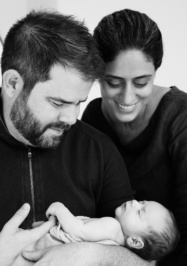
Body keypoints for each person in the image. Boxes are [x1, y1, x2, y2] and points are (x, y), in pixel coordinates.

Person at [0, 10, 153, 265]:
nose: (71, 119)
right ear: (13, 83)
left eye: (79, 103)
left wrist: (90, 254)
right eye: (58, 102)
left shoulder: (98, 150)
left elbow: (143, 260)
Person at [81, 9, 187, 265]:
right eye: (113, 83)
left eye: (141, 82)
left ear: (156, 71)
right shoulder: (92, 119)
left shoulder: (181, 114)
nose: (127, 98)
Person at [45, 200, 180, 261]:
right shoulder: (114, 241)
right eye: (142, 202)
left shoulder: (112, 226)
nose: (134, 202)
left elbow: (77, 229)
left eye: (139, 213)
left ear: (134, 241)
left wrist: (60, 209)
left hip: (49, 247)